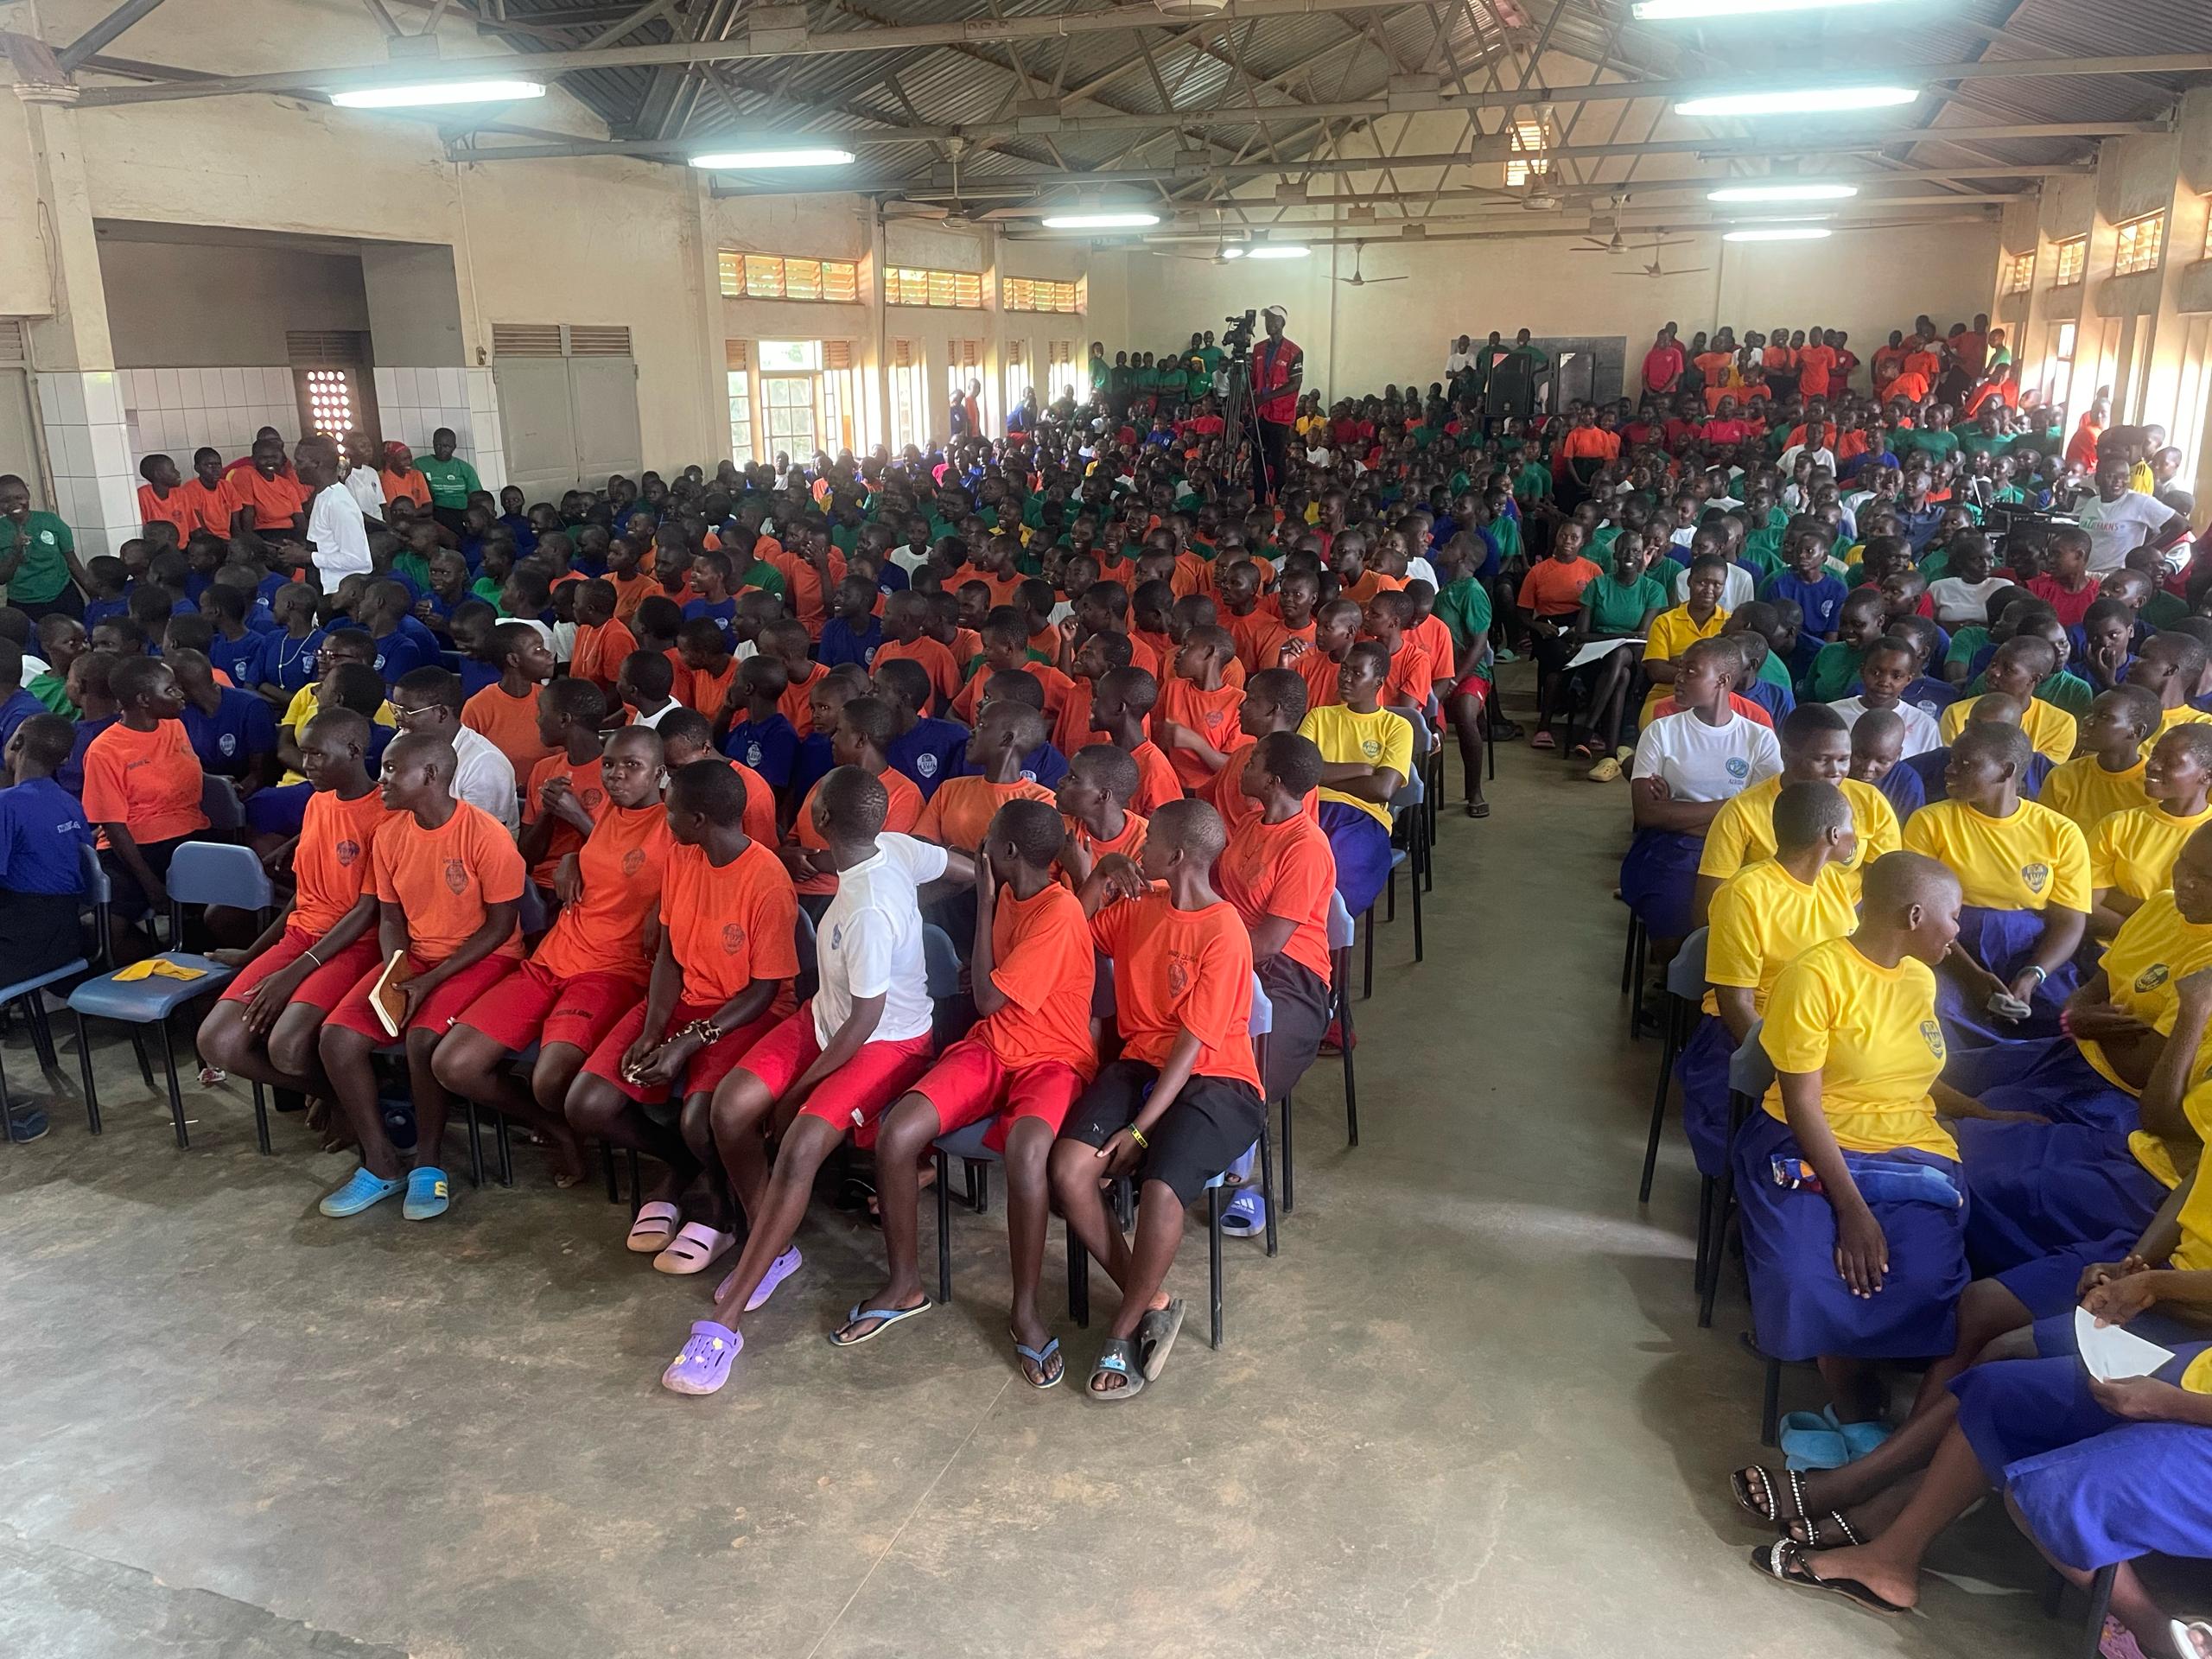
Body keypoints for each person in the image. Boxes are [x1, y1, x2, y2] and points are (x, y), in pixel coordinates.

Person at [659, 766, 971, 1397]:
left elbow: (867, 1020)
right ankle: (772, 1249)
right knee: (730, 1109)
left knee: (800, 1144)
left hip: (884, 1042)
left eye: (812, 800)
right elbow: (966, 870)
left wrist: (801, 1090)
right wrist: (913, 906)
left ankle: (723, 1325)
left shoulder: (867, 912)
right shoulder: (893, 849)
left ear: (824, 818)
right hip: (823, 1019)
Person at [844, 797, 1097, 1386]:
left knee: (1027, 1152)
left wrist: (981, 903)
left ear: (1008, 853)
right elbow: (992, 1000)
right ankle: (905, 1283)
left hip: (1053, 1059)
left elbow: (987, 997)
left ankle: (1026, 1310)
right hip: (994, 1046)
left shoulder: (1056, 911)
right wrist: (990, 914)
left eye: (987, 840)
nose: (979, 848)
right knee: (898, 1133)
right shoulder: (1015, 890)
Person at [1734, 850, 1980, 1422]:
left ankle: (1859, 1363)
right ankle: (1842, 1377)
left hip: (1912, 1148)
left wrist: (1986, 1115)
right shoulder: (1814, 976)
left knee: (1925, 1278)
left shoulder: (1920, 979)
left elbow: (1915, 1076)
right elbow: (1803, 1104)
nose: (1960, 930)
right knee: (1804, 1273)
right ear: (1915, 916)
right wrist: (1853, 1210)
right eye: (1956, 914)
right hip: (1806, 1143)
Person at [1052, 798, 1263, 1400]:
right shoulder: (1141, 907)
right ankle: (1156, 1300)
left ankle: (1122, 1328)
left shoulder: (1224, 932)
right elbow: (1074, 932)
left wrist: (1139, 1131)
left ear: (1176, 856)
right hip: (1142, 1064)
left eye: (1149, 844)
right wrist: (1096, 875)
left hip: (1217, 1080)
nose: (1139, 848)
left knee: (1160, 1189)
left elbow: (1193, 1048)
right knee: (1069, 1172)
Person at [563, 759, 800, 1270]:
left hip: (745, 1013)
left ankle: (717, 1207)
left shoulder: (766, 879)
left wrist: (688, 1042)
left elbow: (763, 992)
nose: (663, 819)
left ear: (698, 820)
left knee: (700, 1117)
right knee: (587, 1102)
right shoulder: (683, 856)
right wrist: (653, 1030)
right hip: (683, 1001)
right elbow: (669, 956)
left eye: (671, 812)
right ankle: (681, 1166)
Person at [434, 725, 674, 1191]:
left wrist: (666, 907)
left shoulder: (675, 826)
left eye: (632, 766)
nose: (616, 775)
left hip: (610, 971)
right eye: (609, 764)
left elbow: (694, 879)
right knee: (454, 1064)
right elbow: (606, 859)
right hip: (551, 960)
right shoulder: (606, 812)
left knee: (550, 1081)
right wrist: (574, 860)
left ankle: (647, 1151)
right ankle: (555, 1127)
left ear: (660, 774)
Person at [315, 733, 526, 1222]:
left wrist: (430, 981)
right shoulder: (390, 835)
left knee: (423, 1039)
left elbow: (500, 929)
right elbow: (390, 919)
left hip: (482, 960)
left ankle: (428, 1165)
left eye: (392, 769)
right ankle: (381, 1161)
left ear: (430, 775)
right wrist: (397, 971)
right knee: (337, 1038)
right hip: (419, 962)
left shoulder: (485, 834)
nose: (381, 778)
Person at [197, 708, 390, 1123]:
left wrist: (294, 972)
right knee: (218, 1042)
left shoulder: (387, 815)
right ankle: (338, 1095)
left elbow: (366, 911)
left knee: (286, 1044)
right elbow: (305, 897)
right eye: (304, 753)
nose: (307, 765)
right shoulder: (319, 803)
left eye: (318, 754)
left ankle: (359, 1104)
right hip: (303, 940)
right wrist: (253, 954)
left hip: (355, 945)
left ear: (354, 751)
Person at [1901, 721, 2090, 1046]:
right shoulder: (1930, 821)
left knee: (2067, 1020)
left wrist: (2033, 975)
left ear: (2005, 771)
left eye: (1966, 764)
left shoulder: (2060, 832)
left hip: (2031, 951)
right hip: (1951, 947)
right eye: (1951, 760)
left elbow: (2070, 919)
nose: (1950, 770)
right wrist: (1972, 976)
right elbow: (1924, 912)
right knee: (1936, 1013)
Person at [1623, 637, 1782, 954]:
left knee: (1755, 920)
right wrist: (1737, 806)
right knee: (1675, 919)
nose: (1679, 677)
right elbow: (1648, 815)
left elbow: (1767, 813)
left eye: (1691, 671)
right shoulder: (1662, 731)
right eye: (1680, 668)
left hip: (1742, 849)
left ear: (1723, 680)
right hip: (1672, 848)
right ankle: (1676, 991)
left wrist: (1676, 811)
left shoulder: (1759, 739)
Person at [1694, 702, 1898, 926]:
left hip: (1848, 927)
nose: (1835, 771)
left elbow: (1885, 883)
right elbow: (1711, 902)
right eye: (1822, 759)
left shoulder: (1870, 801)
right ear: (1786, 753)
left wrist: (1844, 925)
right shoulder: (1742, 811)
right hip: (1769, 928)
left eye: (1843, 759)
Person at [80, 656, 209, 960]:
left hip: (189, 840)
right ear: (143, 700)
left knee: (216, 908)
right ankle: (150, 960)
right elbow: (114, 826)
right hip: (133, 851)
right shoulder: (104, 750)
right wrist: (151, 885)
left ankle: (195, 963)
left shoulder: (176, 727)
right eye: (171, 690)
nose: (181, 695)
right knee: (105, 927)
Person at [1298, 639, 1413, 921]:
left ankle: (1320, 940)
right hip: (1310, 811)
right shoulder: (1319, 716)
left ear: (1378, 682)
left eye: (1357, 673)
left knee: (1344, 871)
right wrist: (1361, 769)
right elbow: (1298, 774)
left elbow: (1382, 790)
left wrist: (1321, 777)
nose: (1346, 678)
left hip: (1364, 818)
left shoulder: (1397, 727)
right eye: (1344, 670)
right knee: (1290, 867)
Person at [2086, 724, 2212, 938]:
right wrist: (2146, 938)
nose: (2152, 765)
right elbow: (2086, 903)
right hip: (2110, 945)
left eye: (2170, 762)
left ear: (2207, 776)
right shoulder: (2119, 824)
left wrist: (2119, 899)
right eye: (2154, 755)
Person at [387, 665, 519, 832]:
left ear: (442, 713)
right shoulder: (403, 740)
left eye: (408, 711)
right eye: (397, 709)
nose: (398, 719)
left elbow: (481, 837)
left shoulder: (485, 764)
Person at [0, 474, 88, 622]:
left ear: (28, 495)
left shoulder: (50, 521)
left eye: (19, 497)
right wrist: (16, 550)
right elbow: (2, 578)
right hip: (24, 605)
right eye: (5, 501)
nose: (14, 504)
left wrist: (94, 596)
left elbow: (72, 562)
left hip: (63, 597)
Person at [296, 435, 372, 587]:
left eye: (299, 462)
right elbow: (328, 547)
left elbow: (359, 560)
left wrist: (307, 557)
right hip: (323, 588)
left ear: (317, 463)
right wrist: (300, 552)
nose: (294, 467)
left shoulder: (338, 502)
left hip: (338, 593)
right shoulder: (323, 495)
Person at [1251, 306, 1303, 501]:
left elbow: (1295, 383)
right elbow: (1253, 378)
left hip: (1280, 416)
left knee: (1278, 462)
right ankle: (1259, 502)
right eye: (1267, 320)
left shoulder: (1294, 351)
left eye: (1273, 320)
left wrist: (1267, 397)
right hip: (1260, 413)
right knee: (1257, 461)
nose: (1269, 324)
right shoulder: (1258, 348)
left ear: (1282, 323)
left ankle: (1280, 501)